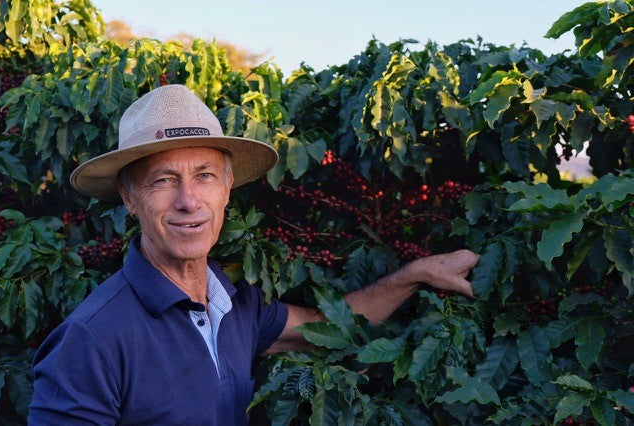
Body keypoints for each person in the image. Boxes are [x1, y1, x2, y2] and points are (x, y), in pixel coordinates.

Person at [28, 84, 479, 424]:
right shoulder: (90, 340)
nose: (188, 201)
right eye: (163, 180)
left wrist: (416, 273)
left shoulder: (234, 300)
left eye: (204, 176)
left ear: (227, 189)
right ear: (129, 198)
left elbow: (327, 330)